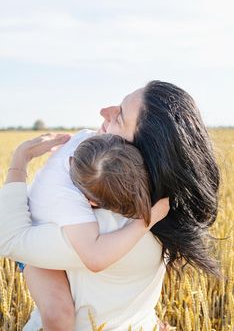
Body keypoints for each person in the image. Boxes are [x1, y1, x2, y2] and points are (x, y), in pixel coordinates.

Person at [0, 80, 220, 330]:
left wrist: (19, 160)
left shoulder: (105, 230)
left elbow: (8, 238)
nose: (105, 111)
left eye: (120, 116)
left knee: (56, 312)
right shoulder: (167, 214)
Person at [23, 131, 169, 331]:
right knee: (58, 315)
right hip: (30, 234)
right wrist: (146, 221)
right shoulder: (66, 201)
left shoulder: (90, 139)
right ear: (91, 202)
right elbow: (95, 258)